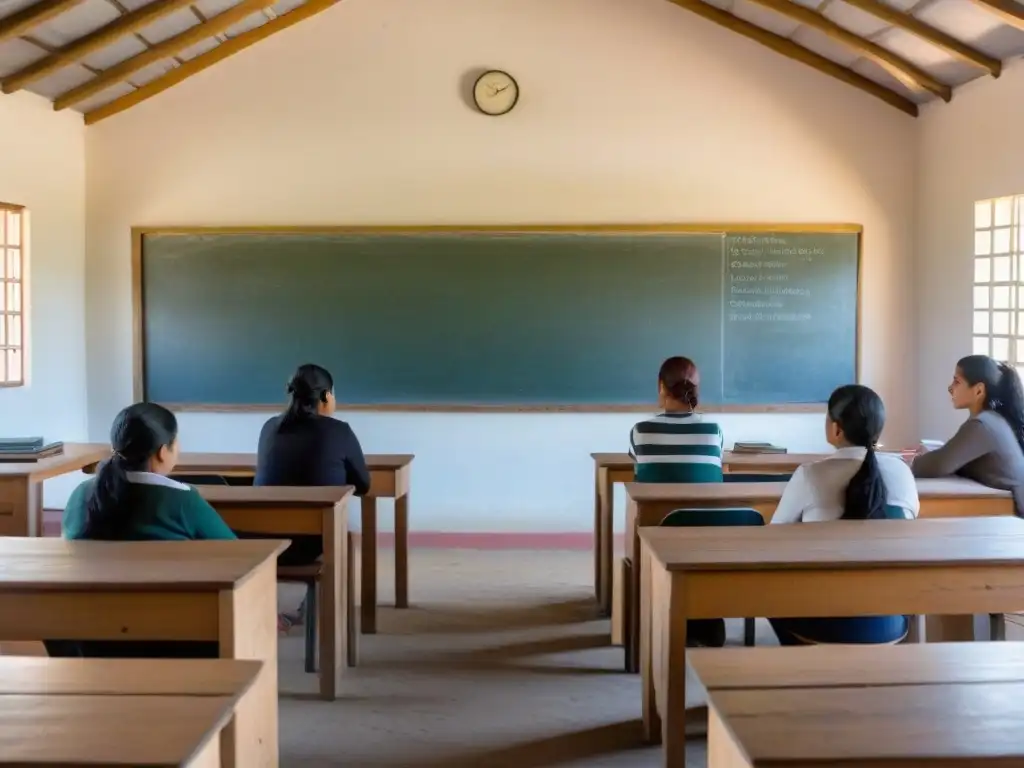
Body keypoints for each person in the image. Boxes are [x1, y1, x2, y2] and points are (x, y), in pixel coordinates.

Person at [51, 402, 235, 659]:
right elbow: (236, 555)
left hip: (92, 638)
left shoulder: (82, 494)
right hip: (177, 637)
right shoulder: (183, 500)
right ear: (163, 451)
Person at [770, 384, 919, 645]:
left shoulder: (811, 476)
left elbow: (773, 539)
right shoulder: (902, 473)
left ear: (836, 428)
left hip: (820, 623)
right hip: (889, 622)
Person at [243, 363, 371, 569]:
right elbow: (364, 485)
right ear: (326, 396)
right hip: (311, 541)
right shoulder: (338, 431)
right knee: (343, 535)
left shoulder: (269, 427)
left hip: (262, 538)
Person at [911, 355, 1024, 515]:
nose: (950, 388)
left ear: (978, 390)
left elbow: (939, 464)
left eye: (957, 382)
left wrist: (910, 462)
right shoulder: (990, 420)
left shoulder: (983, 425)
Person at [629, 356, 724, 484]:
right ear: (695, 389)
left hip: (655, 504)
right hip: (706, 504)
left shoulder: (640, 431)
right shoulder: (713, 431)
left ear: (661, 387)